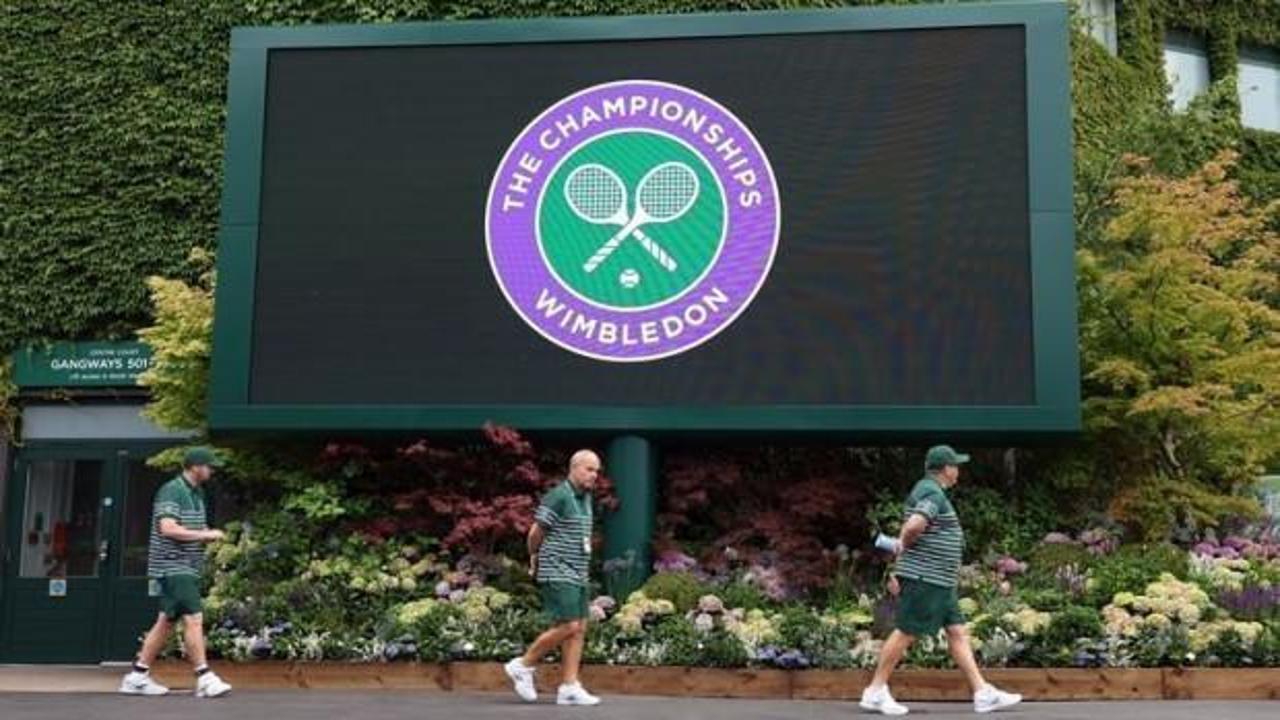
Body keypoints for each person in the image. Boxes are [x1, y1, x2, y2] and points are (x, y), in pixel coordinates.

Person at [860, 445, 1022, 715]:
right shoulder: (930, 491)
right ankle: (875, 691)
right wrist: (903, 542)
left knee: (957, 632)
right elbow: (914, 525)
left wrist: (903, 546)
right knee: (906, 631)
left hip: (940, 580)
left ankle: (982, 693)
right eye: (955, 466)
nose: (958, 471)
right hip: (926, 577)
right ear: (945, 469)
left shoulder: (931, 491)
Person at [119, 447, 232, 698]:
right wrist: (205, 534)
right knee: (194, 619)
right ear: (195, 466)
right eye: (209, 466)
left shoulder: (197, 493)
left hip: (187, 566)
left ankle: (137, 676)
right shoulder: (173, 490)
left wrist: (206, 534)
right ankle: (204, 677)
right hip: (173, 566)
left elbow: (191, 527)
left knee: (165, 623)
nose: (212, 470)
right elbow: (168, 528)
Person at [503, 450, 602, 706]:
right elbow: (535, 532)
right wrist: (534, 557)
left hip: (578, 570)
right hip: (557, 569)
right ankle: (522, 666)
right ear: (575, 468)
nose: (594, 475)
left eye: (597, 471)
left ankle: (569, 686)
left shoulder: (586, 497)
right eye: (590, 469)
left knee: (579, 628)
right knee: (569, 625)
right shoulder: (558, 496)